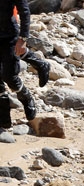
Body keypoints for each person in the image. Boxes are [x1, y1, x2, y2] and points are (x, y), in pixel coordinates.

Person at [1, 0, 46, 128]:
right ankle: (4, 121)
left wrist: (23, 38)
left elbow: (25, 11)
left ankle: (26, 97)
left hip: (9, 36)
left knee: (9, 77)